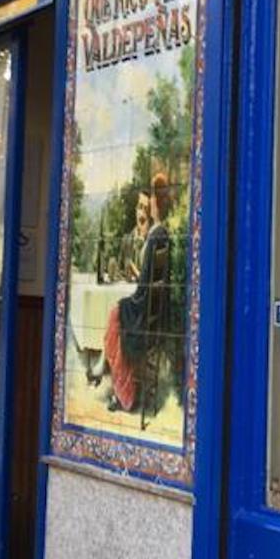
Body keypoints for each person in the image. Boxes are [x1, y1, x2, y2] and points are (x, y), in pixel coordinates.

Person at [97, 174, 173, 414]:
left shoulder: (154, 237)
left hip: (145, 317)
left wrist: (124, 304)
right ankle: (108, 373)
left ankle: (124, 394)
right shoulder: (163, 234)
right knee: (115, 312)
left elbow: (143, 290)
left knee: (114, 314)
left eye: (150, 199)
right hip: (153, 314)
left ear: (155, 204)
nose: (148, 204)